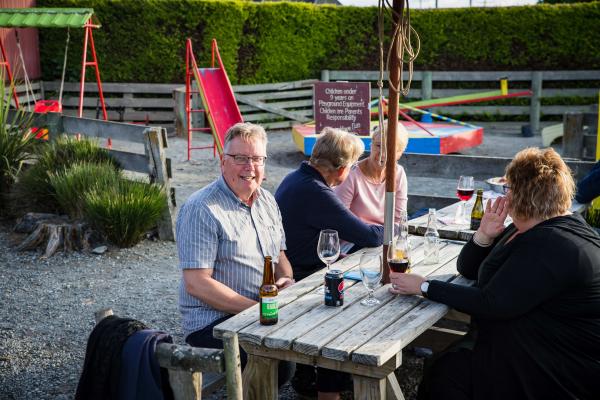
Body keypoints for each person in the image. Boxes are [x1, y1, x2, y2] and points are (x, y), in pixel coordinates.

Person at [390, 147, 600, 400]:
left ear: (524, 196)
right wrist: (484, 235)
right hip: (531, 339)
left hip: (556, 363)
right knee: (447, 365)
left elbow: (492, 302)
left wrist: (425, 286)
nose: (505, 194)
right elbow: (468, 270)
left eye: (508, 188)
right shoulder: (531, 227)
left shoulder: (553, 243)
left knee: (447, 376)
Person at [176, 122, 295, 385]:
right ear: (223, 161)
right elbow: (196, 284)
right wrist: (258, 310)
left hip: (260, 311)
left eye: (257, 159)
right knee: (273, 362)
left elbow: (281, 256)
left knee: (303, 348)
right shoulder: (202, 208)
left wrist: (286, 280)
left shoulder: (267, 200)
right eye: (240, 158)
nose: (250, 167)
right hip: (212, 323)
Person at [276, 127, 384, 400]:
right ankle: (329, 388)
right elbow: (368, 236)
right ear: (342, 167)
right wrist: (391, 228)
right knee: (350, 305)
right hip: (300, 277)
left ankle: (310, 375)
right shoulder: (316, 191)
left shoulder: (296, 178)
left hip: (292, 267)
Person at [334, 121, 409, 225]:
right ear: (371, 144)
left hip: (385, 236)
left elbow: (399, 219)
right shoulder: (351, 174)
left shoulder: (398, 173)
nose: (382, 153)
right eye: (378, 145)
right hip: (354, 237)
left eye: (390, 149)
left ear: (400, 153)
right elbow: (339, 219)